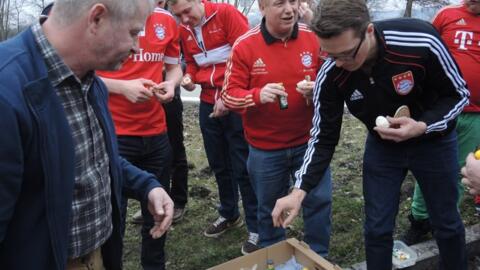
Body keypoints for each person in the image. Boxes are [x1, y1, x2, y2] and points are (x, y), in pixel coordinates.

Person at [271, 0, 469, 269]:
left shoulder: (419, 40)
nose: (338, 63)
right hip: (383, 148)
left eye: (347, 54)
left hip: (433, 142)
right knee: (377, 228)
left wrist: (422, 125)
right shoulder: (331, 73)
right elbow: (322, 137)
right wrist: (298, 191)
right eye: (329, 55)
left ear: (368, 31)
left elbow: (457, 95)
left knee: (445, 222)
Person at [0, 0, 174, 269]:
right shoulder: (7, 93)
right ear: (97, 19)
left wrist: (146, 185)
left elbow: (95, 160)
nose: (136, 47)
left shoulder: (88, 80)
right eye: (132, 32)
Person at [221, 0, 332, 256]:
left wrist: (317, 89)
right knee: (270, 208)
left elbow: (334, 77)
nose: (289, 9)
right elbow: (228, 96)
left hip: (309, 142)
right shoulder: (245, 45)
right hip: (265, 149)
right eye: (279, 3)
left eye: (293, 1)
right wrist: (257, 95)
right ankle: (276, 258)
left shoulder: (313, 37)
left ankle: (319, 257)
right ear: (262, 8)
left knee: (318, 201)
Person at [169, 0, 259, 254]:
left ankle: (257, 226)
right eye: (178, 15)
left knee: (243, 164)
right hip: (208, 102)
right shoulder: (184, 29)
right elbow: (193, 63)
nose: (184, 19)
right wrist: (188, 77)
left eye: (187, 11)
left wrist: (229, 96)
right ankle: (229, 213)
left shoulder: (227, 14)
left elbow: (248, 56)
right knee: (219, 163)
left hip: (236, 102)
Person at [96, 0, 182, 268]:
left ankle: (154, 264)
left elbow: (174, 66)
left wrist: (172, 83)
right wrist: (122, 87)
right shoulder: (106, 14)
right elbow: (80, 75)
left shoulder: (166, 20)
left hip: (156, 133)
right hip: (115, 135)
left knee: (156, 211)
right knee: (114, 217)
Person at [402, 0, 480, 245]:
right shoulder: (447, 15)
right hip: (441, 110)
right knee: (429, 165)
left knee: (462, 170)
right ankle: (419, 219)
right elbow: (426, 51)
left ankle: (444, 218)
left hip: (476, 113)